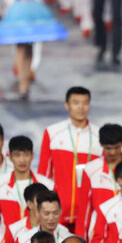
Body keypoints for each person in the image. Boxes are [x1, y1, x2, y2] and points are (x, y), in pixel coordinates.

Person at [38, 86, 97, 225]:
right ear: (67, 105)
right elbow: (43, 173)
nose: (81, 108)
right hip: (57, 211)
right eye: (76, 103)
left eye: (85, 103)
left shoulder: (98, 136)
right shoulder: (53, 133)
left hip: (87, 212)